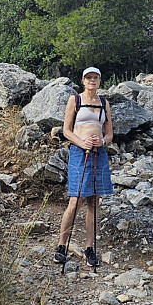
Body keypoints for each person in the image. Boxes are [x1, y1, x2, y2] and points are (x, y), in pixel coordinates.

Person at [54, 66, 114, 267]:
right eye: (88, 77)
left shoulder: (104, 103)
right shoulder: (75, 100)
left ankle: (90, 247)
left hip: (99, 153)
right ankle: (62, 244)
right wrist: (82, 142)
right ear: (83, 80)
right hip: (79, 153)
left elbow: (109, 133)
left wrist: (102, 142)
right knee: (75, 200)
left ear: (99, 80)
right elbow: (66, 130)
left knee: (94, 202)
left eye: (95, 77)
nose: (92, 81)